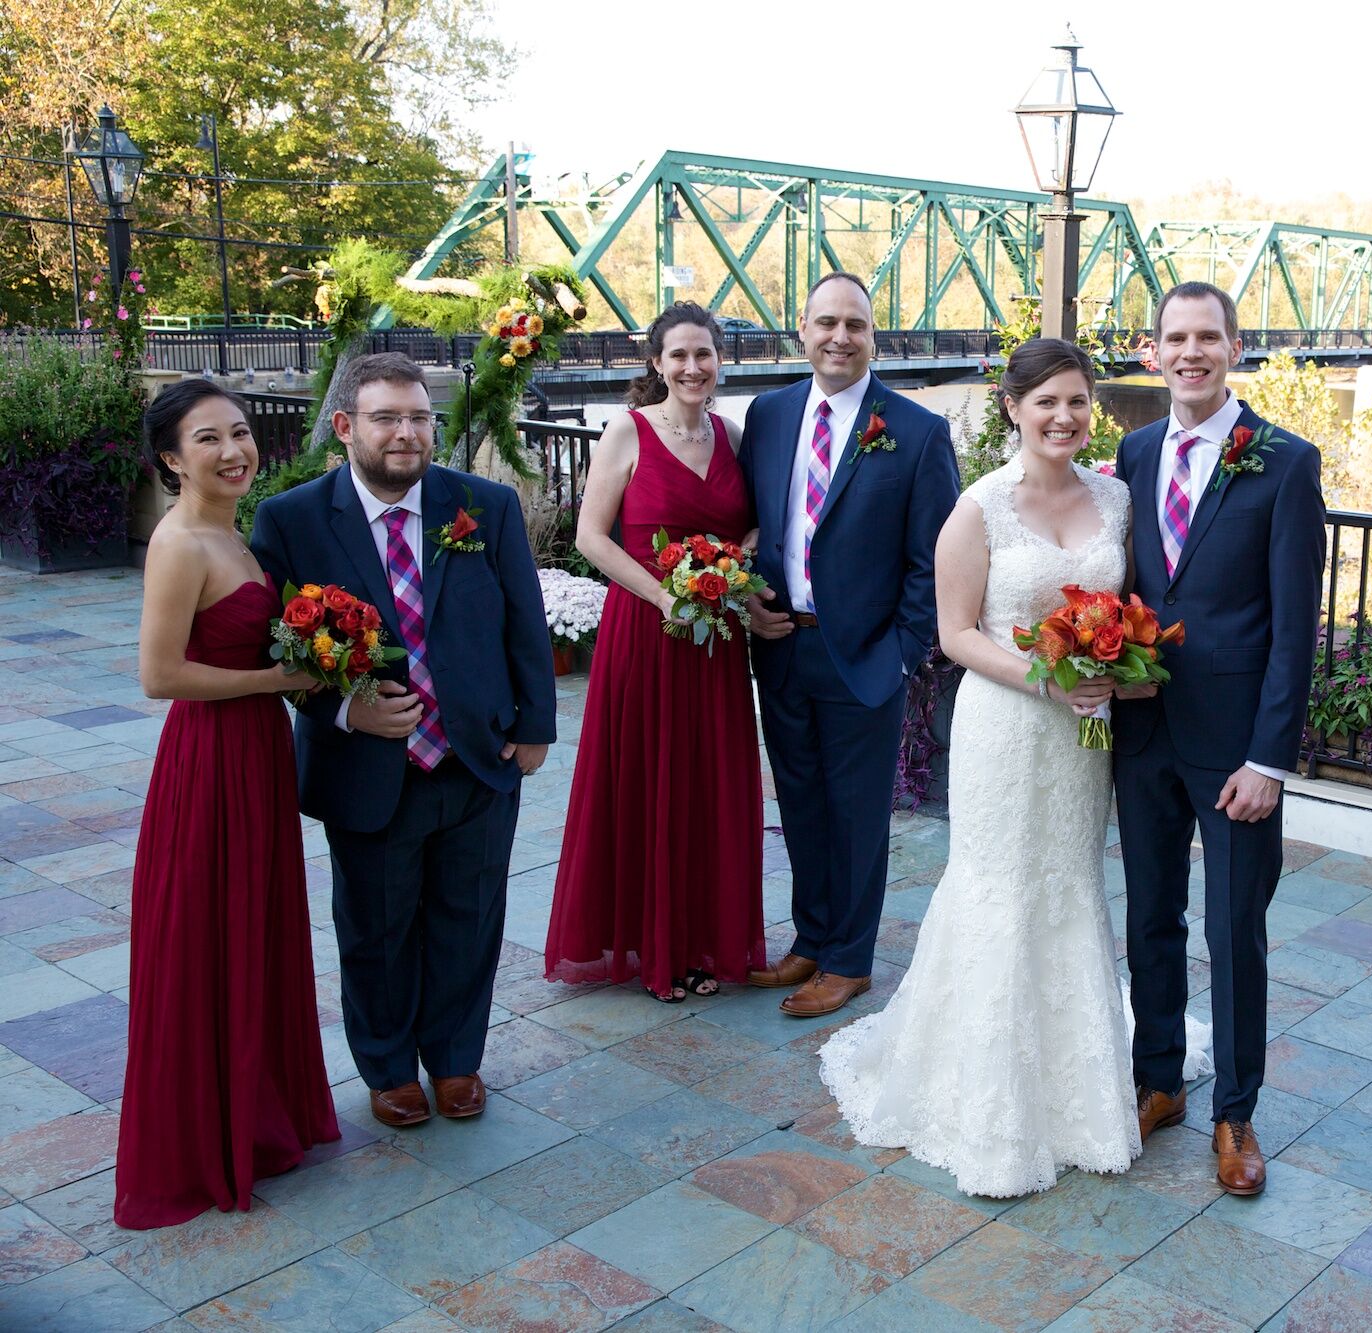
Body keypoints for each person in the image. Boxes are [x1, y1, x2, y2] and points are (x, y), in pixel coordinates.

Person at [821, 339, 1209, 1197]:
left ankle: (1077, 1089)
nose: (1064, 417)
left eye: (1078, 401)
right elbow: (956, 635)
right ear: (1013, 408)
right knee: (998, 883)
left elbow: (1130, 604)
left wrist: (1120, 666)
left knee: (1070, 879)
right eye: (1047, 403)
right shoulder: (980, 506)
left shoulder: (1115, 498)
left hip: (1087, 738)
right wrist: (1050, 675)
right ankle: (988, 1100)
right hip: (1006, 723)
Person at [251, 352, 556, 1129]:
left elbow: (525, 619)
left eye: (419, 417)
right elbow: (273, 648)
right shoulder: (290, 522)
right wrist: (346, 712)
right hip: (367, 766)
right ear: (346, 426)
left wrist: (535, 728)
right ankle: (388, 1068)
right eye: (387, 418)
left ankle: (456, 1060)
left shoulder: (482, 506)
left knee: (470, 914)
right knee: (376, 928)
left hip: (478, 759)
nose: (406, 433)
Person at [1114, 283, 1327, 1197]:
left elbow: (1294, 622)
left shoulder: (1284, 460)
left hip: (1237, 747)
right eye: (1175, 338)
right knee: (1150, 914)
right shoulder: (1130, 449)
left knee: (1235, 928)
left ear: (1234, 346)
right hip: (1141, 728)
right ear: (1152, 350)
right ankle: (1158, 1078)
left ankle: (1235, 1113)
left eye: (1208, 337)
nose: (1191, 351)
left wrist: (1270, 757)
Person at [116, 380, 339, 1228]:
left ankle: (255, 1118)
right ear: (172, 459)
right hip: (209, 762)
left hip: (254, 756)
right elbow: (159, 675)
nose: (233, 450)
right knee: (212, 936)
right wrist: (281, 678)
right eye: (208, 438)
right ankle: (207, 1138)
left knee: (253, 932)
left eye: (241, 432)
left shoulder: (233, 529)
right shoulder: (178, 543)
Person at [738, 272, 958, 1017]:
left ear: (873, 337)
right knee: (799, 801)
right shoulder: (767, 416)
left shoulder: (917, 430)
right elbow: (758, 524)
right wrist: (746, 600)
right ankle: (813, 935)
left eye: (855, 325)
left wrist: (901, 650)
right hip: (780, 644)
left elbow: (935, 559)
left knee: (858, 811)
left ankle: (850, 959)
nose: (839, 336)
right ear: (801, 331)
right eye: (826, 322)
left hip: (865, 655)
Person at [543, 305, 765, 1001]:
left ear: (719, 360)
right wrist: (665, 597)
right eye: (679, 356)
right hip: (645, 636)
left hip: (715, 645)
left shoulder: (730, 435)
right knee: (648, 780)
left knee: (708, 787)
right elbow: (591, 537)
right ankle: (651, 943)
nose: (694, 368)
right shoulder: (627, 431)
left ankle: (701, 937)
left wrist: (731, 567)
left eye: (705, 354)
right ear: (657, 364)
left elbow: (754, 524)